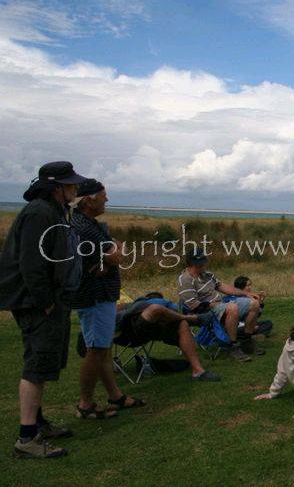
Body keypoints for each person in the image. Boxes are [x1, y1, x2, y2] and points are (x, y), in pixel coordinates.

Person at [0, 162, 86, 458]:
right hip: (36, 303)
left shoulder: (52, 211)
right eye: (70, 184)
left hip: (45, 300)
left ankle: (37, 424)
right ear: (56, 187)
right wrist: (45, 302)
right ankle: (27, 438)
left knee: (44, 362)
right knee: (37, 366)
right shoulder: (40, 212)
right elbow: (31, 263)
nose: (75, 189)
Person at [71, 179, 144, 419]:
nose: (107, 199)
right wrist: (112, 255)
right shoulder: (84, 228)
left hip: (101, 294)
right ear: (88, 200)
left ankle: (116, 396)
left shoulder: (89, 224)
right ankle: (85, 403)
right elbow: (114, 257)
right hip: (95, 296)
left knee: (103, 348)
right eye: (103, 196)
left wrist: (111, 254)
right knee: (95, 350)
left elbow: (114, 252)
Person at [115, 292, 220, 382]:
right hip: (126, 331)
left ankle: (198, 371)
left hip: (148, 324)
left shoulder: (124, 296)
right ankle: (192, 319)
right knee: (155, 309)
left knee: (182, 324)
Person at [177, 251, 263, 361]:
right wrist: (215, 305)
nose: (205, 265)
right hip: (204, 311)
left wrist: (246, 294)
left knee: (254, 303)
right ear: (194, 264)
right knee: (232, 307)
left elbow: (222, 287)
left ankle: (247, 341)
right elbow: (193, 305)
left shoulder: (207, 274)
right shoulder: (185, 279)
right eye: (202, 263)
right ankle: (233, 347)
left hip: (221, 304)